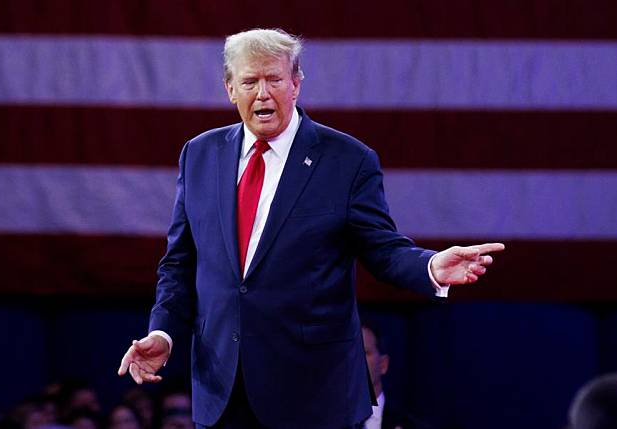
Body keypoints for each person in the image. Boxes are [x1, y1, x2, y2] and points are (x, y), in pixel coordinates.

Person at [118, 28, 504, 429]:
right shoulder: (199, 155)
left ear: (296, 84)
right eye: (250, 81)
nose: (263, 93)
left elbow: (383, 249)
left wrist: (429, 267)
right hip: (222, 392)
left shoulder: (347, 160)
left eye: (275, 79)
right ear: (231, 89)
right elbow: (179, 264)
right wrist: (162, 334)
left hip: (313, 395)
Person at [361, 322, 432, 429]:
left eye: (364, 352)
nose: (355, 360)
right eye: (349, 353)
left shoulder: (412, 426)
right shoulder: (329, 422)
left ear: (383, 364)